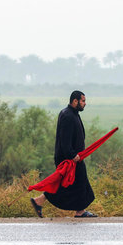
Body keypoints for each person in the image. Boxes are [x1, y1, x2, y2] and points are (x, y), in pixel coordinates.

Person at [30, 90, 97, 218]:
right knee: (75, 183)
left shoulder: (73, 114)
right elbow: (64, 140)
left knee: (72, 184)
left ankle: (39, 201)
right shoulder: (67, 115)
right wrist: (72, 155)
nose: (85, 103)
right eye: (83, 101)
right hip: (68, 159)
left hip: (74, 158)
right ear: (75, 101)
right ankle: (80, 212)